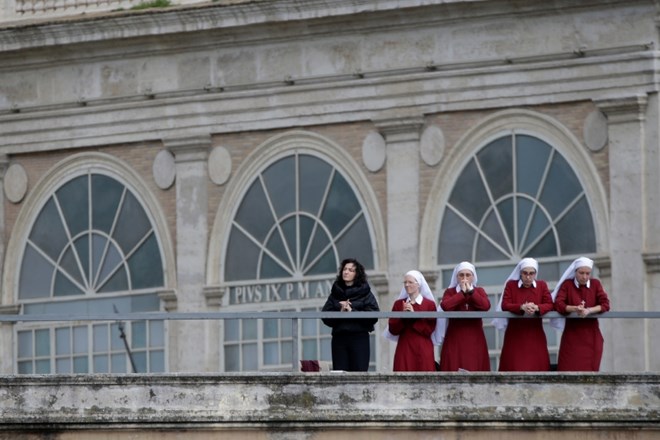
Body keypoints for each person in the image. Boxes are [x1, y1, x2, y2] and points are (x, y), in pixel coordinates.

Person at [494, 257, 554, 371]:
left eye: (531, 273)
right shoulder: (511, 285)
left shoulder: (541, 285)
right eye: (525, 273)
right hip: (515, 333)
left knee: (537, 366)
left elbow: (550, 304)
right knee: (514, 366)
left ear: (535, 273)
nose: (528, 276)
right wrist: (521, 307)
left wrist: (537, 307)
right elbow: (505, 304)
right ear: (520, 273)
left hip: (535, 333)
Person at [552, 256, 611, 371]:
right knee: (568, 370)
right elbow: (558, 304)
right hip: (572, 336)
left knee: (590, 373)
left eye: (588, 273)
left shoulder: (595, 284)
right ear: (575, 272)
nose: (584, 277)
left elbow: (605, 304)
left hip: (591, 336)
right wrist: (574, 309)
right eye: (581, 273)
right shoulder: (567, 285)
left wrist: (589, 310)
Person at [321, 258, 380, 371]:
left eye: (350, 270)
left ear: (357, 274)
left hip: (359, 338)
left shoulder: (365, 292)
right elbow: (325, 316)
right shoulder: (336, 292)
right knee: (340, 374)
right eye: (345, 269)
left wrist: (352, 311)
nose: (346, 272)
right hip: (340, 338)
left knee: (359, 374)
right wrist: (340, 312)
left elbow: (373, 316)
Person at [438, 261, 491, 372]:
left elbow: (486, 306)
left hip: (475, 338)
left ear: (473, 277)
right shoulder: (450, 291)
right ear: (457, 277)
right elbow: (445, 306)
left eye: (468, 275)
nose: (464, 278)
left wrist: (471, 293)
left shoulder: (479, 291)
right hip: (455, 338)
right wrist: (461, 293)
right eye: (461, 275)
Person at [383, 270, 437, 371]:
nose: (407, 285)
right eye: (405, 282)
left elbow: (429, 329)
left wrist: (414, 316)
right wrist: (403, 317)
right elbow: (393, 329)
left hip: (423, 347)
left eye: (410, 282)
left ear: (418, 284)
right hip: (405, 347)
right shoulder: (399, 304)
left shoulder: (429, 304)